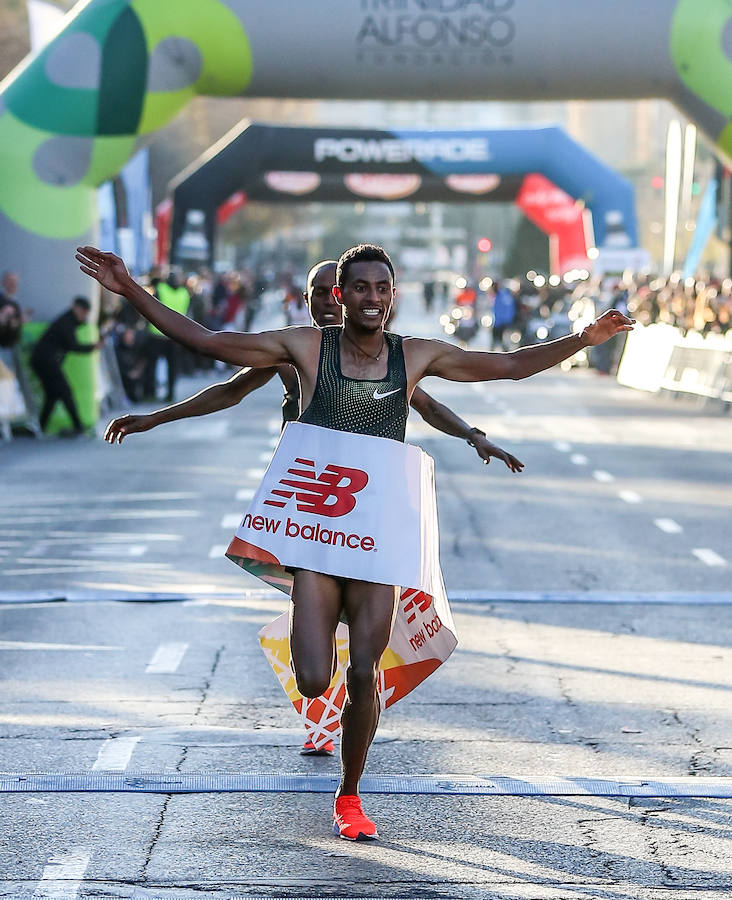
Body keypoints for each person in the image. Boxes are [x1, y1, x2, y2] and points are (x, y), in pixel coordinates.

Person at [76, 242, 633, 841]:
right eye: (360, 288)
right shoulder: (304, 348)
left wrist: (584, 339)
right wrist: (130, 290)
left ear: (394, 296)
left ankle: (350, 795)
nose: (373, 298)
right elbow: (210, 343)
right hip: (318, 530)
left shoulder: (413, 357)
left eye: (382, 289)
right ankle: (322, 649)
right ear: (340, 297)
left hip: (379, 532)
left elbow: (507, 365)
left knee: (365, 669)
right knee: (316, 679)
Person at [104, 260, 524, 757]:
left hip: (371, 515)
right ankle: (321, 647)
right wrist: (156, 416)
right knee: (314, 662)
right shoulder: (295, 350)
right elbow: (225, 382)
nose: (329, 300)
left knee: (363, 656)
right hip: (311, 511)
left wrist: (474, 435)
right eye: (322, 292)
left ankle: (352, 737)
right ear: (315, 299)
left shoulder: (390, 358)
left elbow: (426, 403)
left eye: (340, 291)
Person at [30, 296, 101, 435]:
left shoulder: (70, 320)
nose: (84, 315)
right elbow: (73, 345)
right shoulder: (66, 322)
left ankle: (40, 426)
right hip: (46, 361)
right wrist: (93, 347)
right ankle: (78, 425)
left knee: (52, 395)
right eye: (84, 311)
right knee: (65, 392)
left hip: (44, 360)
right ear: (77, 308)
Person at [144, 269, 190, 401]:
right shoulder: (184, 293)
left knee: (152, 366)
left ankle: (151, 393)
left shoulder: (160, 288)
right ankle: (170, 394)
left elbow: (151, 308)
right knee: (172, 366)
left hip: (156, 334)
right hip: (175, 335)